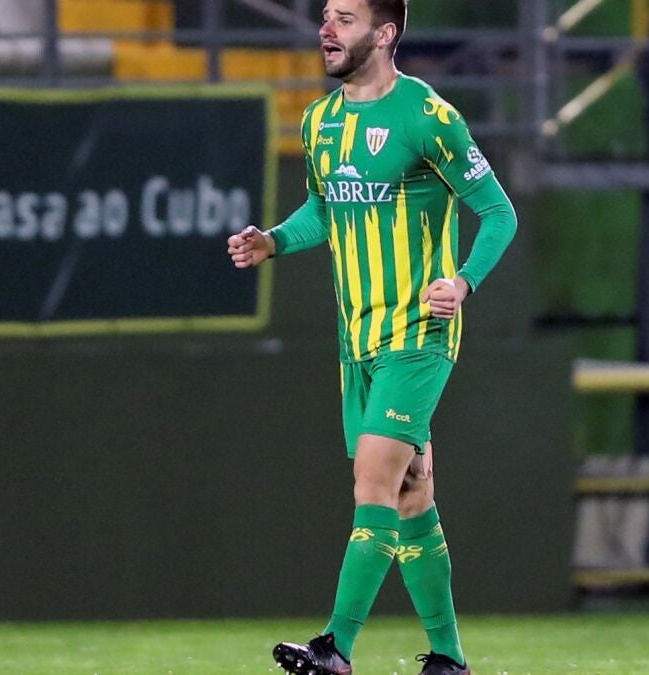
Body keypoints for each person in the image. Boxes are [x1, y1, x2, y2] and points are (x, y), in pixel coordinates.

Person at [227, 1, 517, 673]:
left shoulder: (428, 116)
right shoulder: (319, 121)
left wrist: (464, 281)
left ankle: (335, 647)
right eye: (326, 15)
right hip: (355, 339)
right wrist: (274, 241)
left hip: (417, 333)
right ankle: (448, 659)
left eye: (345, 18)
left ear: (384, 34)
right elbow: (323, 209)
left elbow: (498, 213)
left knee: (373, 484)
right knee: (412, 494)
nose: (326, 29)